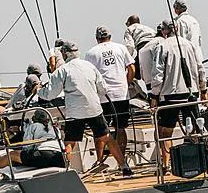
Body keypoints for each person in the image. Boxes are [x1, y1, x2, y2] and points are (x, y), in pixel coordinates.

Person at [38, 41, 133, 177]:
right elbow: (103, 89)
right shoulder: (90, 66)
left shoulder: (63, 70)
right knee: (107, 137)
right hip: (93, 108)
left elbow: (50, 94)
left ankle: (63, 172)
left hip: (75, 112)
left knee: (70, 142)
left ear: (64, 54)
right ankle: (125, 167)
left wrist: (39, 91)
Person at [150, 19, 208, 171]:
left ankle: (166, 164)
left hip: (171, 95)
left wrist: (154, 95)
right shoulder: (190, 45)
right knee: (195, 127)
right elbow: (200, 67)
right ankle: (197, 159)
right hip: (191, 93)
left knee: (164, 131)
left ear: (164, 31)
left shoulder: (162, 46)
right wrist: (203, 89)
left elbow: (157, 74)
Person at [84, 26, 135, 163]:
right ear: (110, 36)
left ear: (97, 38)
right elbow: (131, 68)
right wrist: (126, 83)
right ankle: (121, 160)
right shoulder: (121, 48)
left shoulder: (91, 53)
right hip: (121, 94)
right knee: (120, 127)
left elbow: (89, 75)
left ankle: (100, 161)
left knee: (100, 130)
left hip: (102, 97)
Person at [0, 110, 65, 177]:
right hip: (60, 158)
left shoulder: (34, 126)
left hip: (44, 155)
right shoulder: (55, 128)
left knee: (11, 155)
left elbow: (27, 147)